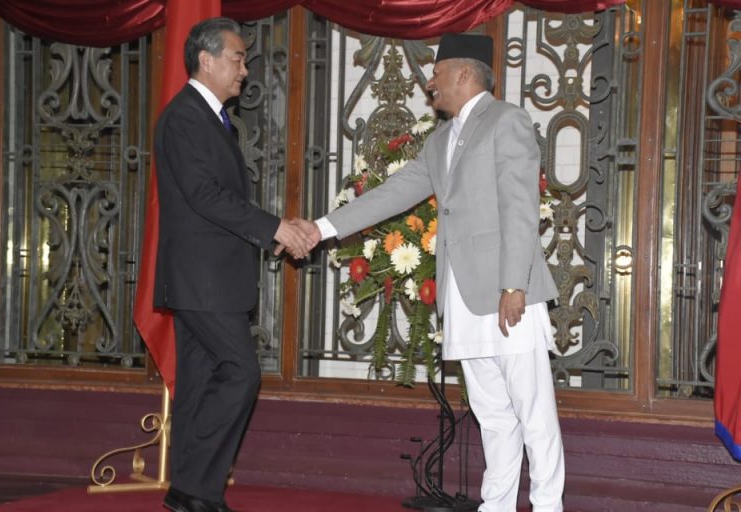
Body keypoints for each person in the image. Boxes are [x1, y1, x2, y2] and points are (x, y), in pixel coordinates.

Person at [296, 33, 565, 512]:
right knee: (492, 415)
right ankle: (497, 506)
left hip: (507, 292)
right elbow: (392, 194)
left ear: (463, 73)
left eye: (436, 73)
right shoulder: (440, 140)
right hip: (462, 298)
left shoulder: (506, 120)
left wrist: (514, 284)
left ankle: (548, 506)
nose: (429, 84)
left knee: (534, 413)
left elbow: (520, 205)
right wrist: (321, 229)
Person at [153, 17, 317, 512]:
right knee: (242, 374)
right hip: (202, 280)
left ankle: (191, 491)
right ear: (207, 61)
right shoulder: (185, 117)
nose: (245, 69)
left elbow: (216, 200)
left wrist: (271, 230)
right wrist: (274, 228)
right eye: (238, 58)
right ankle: (193, 488)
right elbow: (205, 195)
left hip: (211, 279)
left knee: (202, 382)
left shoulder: (210, 118)